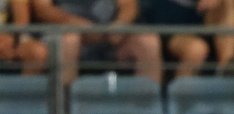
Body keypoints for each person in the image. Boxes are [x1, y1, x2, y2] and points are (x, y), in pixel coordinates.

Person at [30, 0, 162, 85]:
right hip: (69, 32)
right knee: (69, 41)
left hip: (110, 36)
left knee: (148, 42)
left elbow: (129, 5)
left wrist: (120, 25)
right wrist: (74, 24)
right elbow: (42, 9)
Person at [144, 0, 234, 77]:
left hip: (199, 17)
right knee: (196, 49)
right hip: (166, 17)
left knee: (228, 2)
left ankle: (226, 70)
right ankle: (178, 98)